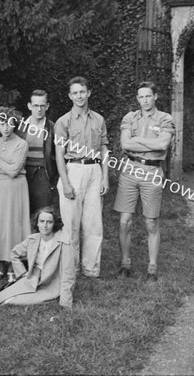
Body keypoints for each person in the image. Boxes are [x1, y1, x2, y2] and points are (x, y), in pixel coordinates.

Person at [113, 81, 175, 281]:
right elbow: (124, 143)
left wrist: (138, 140)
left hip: (152, 171)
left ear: (155, 96)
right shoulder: (130, 117)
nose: (145, 100)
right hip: (130, 170)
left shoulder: (165, 118)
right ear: (137, 98)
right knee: (124, 222)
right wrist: (151, 144)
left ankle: (152, 269)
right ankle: (125, 264)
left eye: (148, 96)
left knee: (151, 223)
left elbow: (163, 143)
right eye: (141, 97)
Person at [54, 76, 109, 278]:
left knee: (93, 222)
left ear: (89, 93)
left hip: (94, 169)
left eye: (82, 91)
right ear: (70, 96)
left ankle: (91, 268)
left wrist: (105, 177)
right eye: (75, 93)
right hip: (73, 170)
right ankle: (72, 267)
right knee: (71, 223)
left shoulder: (99, 120)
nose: (79, 96)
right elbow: (59, 154)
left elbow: (104, 148)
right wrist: (66, 182)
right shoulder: (63, 121)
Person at [0, 206, 76, 308]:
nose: (45, 226)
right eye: (42, 221)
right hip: (32, 279)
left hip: (51, 283)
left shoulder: (64, 243)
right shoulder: (33, 239)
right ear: (37, 223)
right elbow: (14, 254)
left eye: (49, 222)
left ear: (54, 223)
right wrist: (23, 274)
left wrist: (65, 302)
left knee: (11, 301)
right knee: (0, 297)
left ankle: (52, 297)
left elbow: (68, 274)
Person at [0, 108, 31, 285]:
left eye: (10, 123)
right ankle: (1, 267)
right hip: (0, 187)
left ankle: (15, 267)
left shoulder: (22, 143)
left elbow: (14, 171)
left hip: (16, 187)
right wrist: (2, 166)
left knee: (15, 225)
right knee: (0, 226)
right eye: (2, 123)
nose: (6, 127)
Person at [17, 90, 58, 213]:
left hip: (43, 174)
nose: (39, 109)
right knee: (22, 212)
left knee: (44, 213)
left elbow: (58, 156)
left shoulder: (53, 128)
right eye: (35, 105)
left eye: (42, 105)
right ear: (29, 106)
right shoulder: (20, 127)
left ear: (47, 106)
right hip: (22, 173)